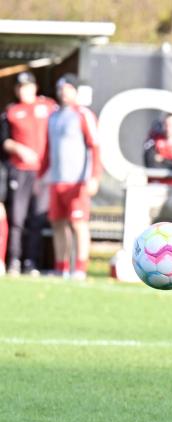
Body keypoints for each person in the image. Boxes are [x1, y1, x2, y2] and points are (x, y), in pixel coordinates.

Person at [40, 74, 101, 280]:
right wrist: (42, 175)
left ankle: (80, 267)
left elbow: (95, 147)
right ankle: (61, 266)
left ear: (75, 91)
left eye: (67, 88)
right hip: (56, 179)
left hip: (78, 181)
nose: (63, 93)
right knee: (58, 223)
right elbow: (48, 149)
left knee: (78, 223)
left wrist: (93, 177)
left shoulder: (83, 115)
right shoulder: (53, 116)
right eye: (60, 89)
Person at [1, 71, 57, 275]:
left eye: (27, 86)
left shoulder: (49, 107)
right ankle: (14, 260)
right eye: (20, 87)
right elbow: (4, 141)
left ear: (34, 87)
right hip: (19, 171)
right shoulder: (12, 112)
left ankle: (32, 262)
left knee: (37, 218)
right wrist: (19, 149)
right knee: (17, 218)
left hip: (42, 172)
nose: (24, 90)